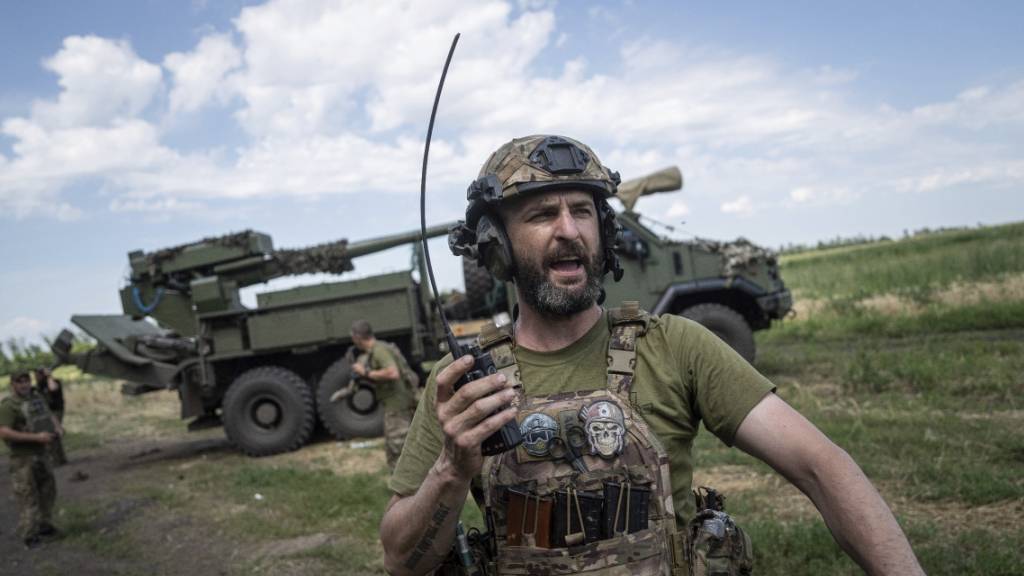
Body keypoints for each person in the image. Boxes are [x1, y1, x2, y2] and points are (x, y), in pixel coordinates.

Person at [379, 135, 925, 575]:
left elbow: (822, 467)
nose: (569, 231)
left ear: (605, 230)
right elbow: (401, 560)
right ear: (496, 247)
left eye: (583, 212)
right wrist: (451, 470)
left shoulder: (674, 346)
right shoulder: (464, 387)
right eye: (543, 214)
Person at [336, 320, 418, 471]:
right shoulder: (376, 350)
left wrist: (366, 372)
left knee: (399, 448)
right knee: (396, 448)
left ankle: (410, 486)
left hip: (397, 406)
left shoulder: (379, 350)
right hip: (395, 405)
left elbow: (393, 373)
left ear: (357, 337)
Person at [0, 371, 63, 549]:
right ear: (12, 384)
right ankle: (30, 535)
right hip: (22, 459)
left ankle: (45, 526)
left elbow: (49, 415)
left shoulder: (36, 399)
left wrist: (58, 428)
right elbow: (3, 431)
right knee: (28, 496)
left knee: (47, 491)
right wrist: (35, 438)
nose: (24, 385)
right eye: (20, 382)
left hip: (41, 455)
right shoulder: (8, 405)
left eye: (26, 381)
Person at [34, 368, 68, 466]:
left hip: (56, 410)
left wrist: (49, 376)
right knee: (54, 434)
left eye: (38, 375)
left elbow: (53, 388)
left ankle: (58, 459)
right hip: (47, 412)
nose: (36, 377)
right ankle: (60, 458)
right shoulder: (39, 386)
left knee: (54, 432)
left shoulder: (53, 381)